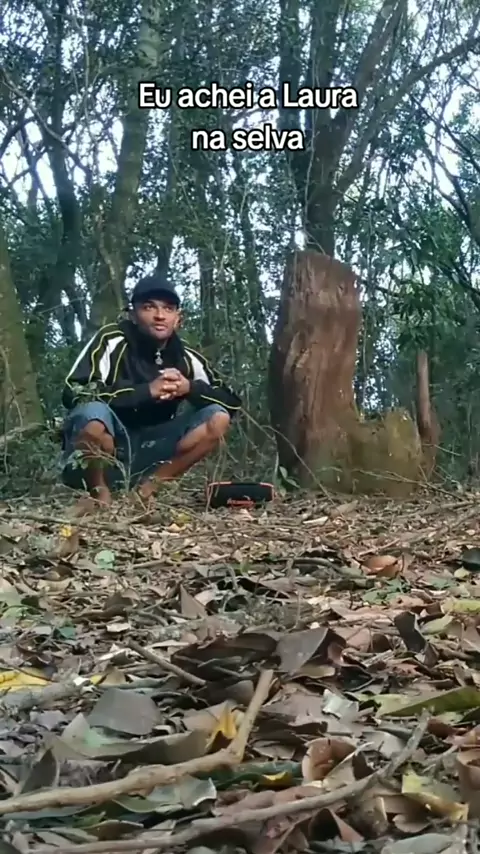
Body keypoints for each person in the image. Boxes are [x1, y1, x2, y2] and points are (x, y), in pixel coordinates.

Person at [60, 273, 241, 508]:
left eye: (168, 309)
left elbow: (232, 401)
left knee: (218, 417)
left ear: (178, 318)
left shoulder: (185, 356)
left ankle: (146, 492)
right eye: (149, 307)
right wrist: (146, 391)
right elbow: (74, 390)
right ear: (133, 314)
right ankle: (99, 494)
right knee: (92, 414)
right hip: (104, 455)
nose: (159, 315)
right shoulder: (112, 339)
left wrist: (189, 388)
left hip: (152, 452)